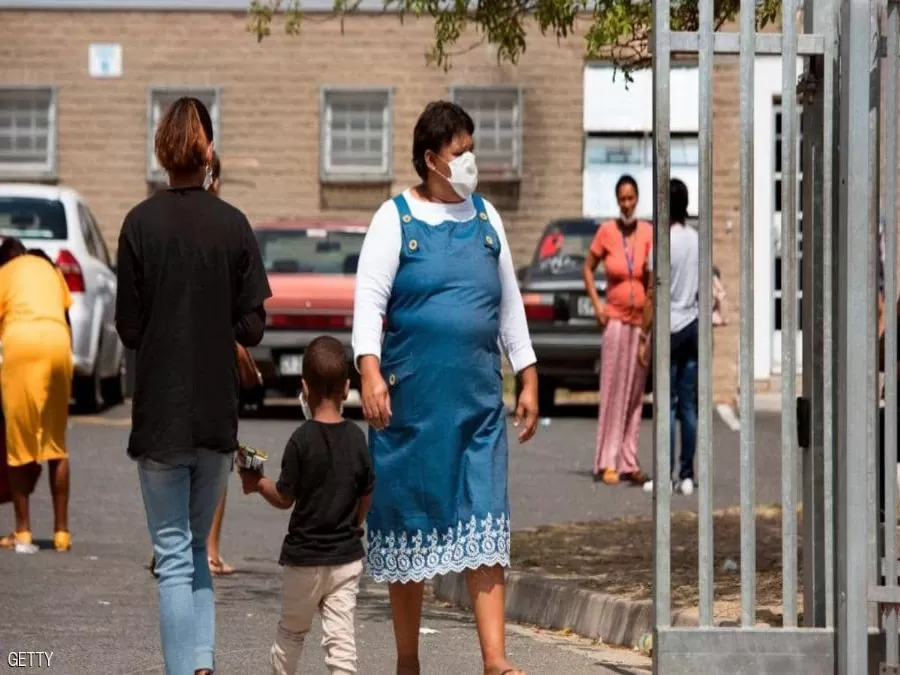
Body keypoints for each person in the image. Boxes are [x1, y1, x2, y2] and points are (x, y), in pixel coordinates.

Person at [353, 100, 539, 675]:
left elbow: (508, 304)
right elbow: (369, 300)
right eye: (460, 153)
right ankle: (408, 660)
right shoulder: (394, 218)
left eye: (471, 149)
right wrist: (369, 369)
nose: (470, 162)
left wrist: (527, 374)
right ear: (432, 159)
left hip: (478, 407)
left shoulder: (487, 219)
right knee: (408, 527)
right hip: (410, 411)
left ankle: (495, 659)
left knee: (485, 520)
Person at [116, 96, 271, 675]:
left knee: (173, 556)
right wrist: (217, 328)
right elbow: (255, 322)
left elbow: (129, 329)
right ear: (207, 150)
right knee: (198, 554)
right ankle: (201, 663)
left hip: (159, 413)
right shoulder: (232, 224)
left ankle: (188, 670)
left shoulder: (138, 224)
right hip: (214, 415)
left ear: (161, 151)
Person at [240, 336, 373, 675]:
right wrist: (356, 523)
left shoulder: (301, 440)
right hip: (345, 559)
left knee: (292, 632)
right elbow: (366, 492)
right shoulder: (358, 439)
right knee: (341, 639)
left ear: (304, 387)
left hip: (304, 561)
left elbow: (285, 497)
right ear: (347, 388)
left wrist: (258, 484)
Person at [145, 151, 243, 579]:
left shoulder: (168, 224)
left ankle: (179, 545)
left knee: (182, 459)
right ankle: (203, 548)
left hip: (172, 375)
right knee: (210, 459)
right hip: (205, 378)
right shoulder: (223, 226)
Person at [0, 237, 73, 554]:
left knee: (18, 441)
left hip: (22, 343)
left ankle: (23, 532)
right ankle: (61, 534)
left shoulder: (5, 273)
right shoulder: (49, 269)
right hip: (59, 344)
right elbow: (67, 318)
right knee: (56, 443)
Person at [583, 175, 653, 486]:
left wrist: (647, 327)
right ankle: (607, 459)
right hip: (614, 321)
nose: (627, 204)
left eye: (631, 198)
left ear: (637, 199)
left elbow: (651, 281)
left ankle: (629, 459)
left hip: (639, 323)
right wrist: (597, 305)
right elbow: (588, 267)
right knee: (613, 391)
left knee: (636, 394)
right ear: (617, 200)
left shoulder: (648, 232)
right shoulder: (607, 232)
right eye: (622, 199)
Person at [641, 179, 699, 496]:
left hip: (669, 325)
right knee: (688, 404)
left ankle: (665, 474)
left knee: (667, 404)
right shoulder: (696, 239)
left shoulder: (663, 242)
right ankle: (688, 474)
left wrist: (643, 335)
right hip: (692, 322)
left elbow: (653, 292)